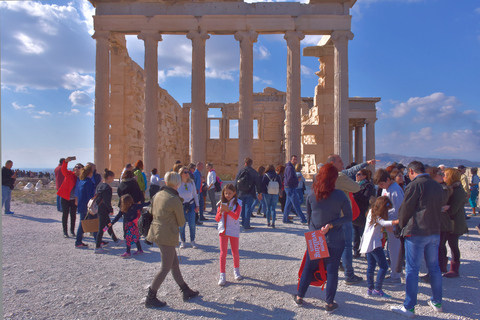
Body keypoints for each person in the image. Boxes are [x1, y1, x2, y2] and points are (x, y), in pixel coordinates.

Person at [293, 163, 352, 314]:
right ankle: (329, 303)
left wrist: (315, 232)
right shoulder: (339, 195)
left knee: (309, 266)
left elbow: (309, 218)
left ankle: (299, 297)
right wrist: (331, 225)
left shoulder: (312, 194)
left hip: (316, 236)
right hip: (335, 237)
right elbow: (349, 216)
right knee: (332, 271)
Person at [391, 161, 444, 317]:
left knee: (412, 270)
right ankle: (437, 301)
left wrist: (399, 227)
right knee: (434, 268)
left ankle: (409, 307)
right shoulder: (436, 185)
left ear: (412, 171)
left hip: (417, 231)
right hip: (434, 230)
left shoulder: (415, 185)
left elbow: (405, 209)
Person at [145, 171, 199, 308]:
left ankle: (185, 290)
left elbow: (151, 211)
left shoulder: (158, 194)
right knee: (165, 268)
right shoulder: (174, 199)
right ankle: (151, 297)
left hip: (156, 232)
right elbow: (181, 222)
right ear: (177, 183)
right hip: (166, 236)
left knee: (174, 264)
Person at [327, 154, 379, 285]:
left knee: (333, 244)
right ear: (333, 163)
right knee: (346, 245)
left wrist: (365, 163)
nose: (343, 163)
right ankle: (349, 275)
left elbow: (349, 171)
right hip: (343, 215)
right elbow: (356, 187)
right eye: (340, 161)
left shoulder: (325, 175)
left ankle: (333, 268)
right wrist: (353, 184)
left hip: (329, 214)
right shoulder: (339, 177)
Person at [360, 196, 399, 299]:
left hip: (367, 243)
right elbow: (383, 222)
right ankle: (377, 289)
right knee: (384, 266)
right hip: (374, 243)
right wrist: (396, 221)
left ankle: (370, 289)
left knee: (371, 266)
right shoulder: (376, 215)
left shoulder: (371, 211)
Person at [372, 168, 404, 284]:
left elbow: (398, 209)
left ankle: (396, 275)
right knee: (391, 249)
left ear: (388, 179)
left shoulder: (394, 190)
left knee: (395, 250)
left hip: (394, 224)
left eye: (382, 184)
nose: (381, 186)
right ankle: (394, 272)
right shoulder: (386, 189)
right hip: (388, 223)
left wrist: (391, 222)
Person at [442, 168, 468, 278]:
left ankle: (454, 269)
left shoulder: (458, 191)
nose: (443, 177)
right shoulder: (451, 188)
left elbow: (453, 210)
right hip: (448, 222)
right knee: (441, 243)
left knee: (453, 245)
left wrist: (445, 208)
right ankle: (442, 265)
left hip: (455, 223)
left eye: (445, 175)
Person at [216, 184, 243, 286]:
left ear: (234, 193)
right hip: (223, 230)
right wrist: (220, 212)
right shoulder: (220, 204)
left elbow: (236, 216)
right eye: (226, 193)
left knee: (235, 252)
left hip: (233, 230)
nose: (227, 195)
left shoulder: (238, 203)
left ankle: (236, 270)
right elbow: (217, 219)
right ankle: (222, 274)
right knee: (223, 253)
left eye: (229, 193)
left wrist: (228, 210)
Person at [94, 169, 120, 254]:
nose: (113, 180)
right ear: (109, 177)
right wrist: (111, 210)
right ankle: (97, 246)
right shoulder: (108, 188)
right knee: (101, 229)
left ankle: (115, 240)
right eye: (112, 178)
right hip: (104, 210)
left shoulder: (99, 185)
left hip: (99, 208)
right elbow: (106, 201)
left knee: (108, 225)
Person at [352, 168, 375, 258]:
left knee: (363, 232)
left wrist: (355, 193)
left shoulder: (368, 186)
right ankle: (356, 250)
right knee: (355, 233)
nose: (357, 176)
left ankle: (366, 251)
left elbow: (365, 198)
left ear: (364, 176)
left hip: (363, 211)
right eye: (356, 174)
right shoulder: (354, 185)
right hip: (354, 210)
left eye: (359, 174)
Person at [235, 157, 262, 230]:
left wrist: (235, 192)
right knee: (248, 208)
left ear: (245, 163)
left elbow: (236, 181)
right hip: (250, 192)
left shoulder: (241, 171)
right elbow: (258, 183)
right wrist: (259, 192)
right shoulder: (254, 172)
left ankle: (243, 223)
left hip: (241, 192)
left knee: (242, 208)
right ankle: (246, 224)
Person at [57, 157, 82, 237]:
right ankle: (65, 232)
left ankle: (72, 231)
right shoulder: (69, 174)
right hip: (65, 197)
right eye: (76, 167)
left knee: (73, 215)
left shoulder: (81, 178)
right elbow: (63, 170)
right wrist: (66, 162)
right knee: (65, 214)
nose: (77, 168)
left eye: (79, 167)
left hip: (74, 199)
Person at [177, 166, 200, 249]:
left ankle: (192, 241)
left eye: (188, 172)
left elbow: (195, 195)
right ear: (181, 174)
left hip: (191, 205)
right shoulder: (178, 183)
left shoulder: (191, 183)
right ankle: (183, 241)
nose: (187, 174)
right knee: (181, 225)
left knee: (192, 224)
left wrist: (197, 205)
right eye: (185, 172)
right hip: (181, 205)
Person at [74, 165, 96, 248]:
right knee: (92, 223)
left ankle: (78, 241)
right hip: (87, 206)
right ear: (90, 173)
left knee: (83, 223)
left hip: (82, 205)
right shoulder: (88, 182)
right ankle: (97, 241)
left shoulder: (81, 181)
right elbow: (90, 196)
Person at [282, 155, 307, 224]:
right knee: (296, 204)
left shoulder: (289, 167)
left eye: (296, 159)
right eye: (294, 159)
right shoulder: (290, 168)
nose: (295, 161)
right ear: (291, 160)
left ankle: (285, 219)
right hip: (290, 187)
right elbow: (290, 179)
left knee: (288, 205)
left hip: (289, 187)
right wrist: (297, 179)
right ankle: (303, 219)